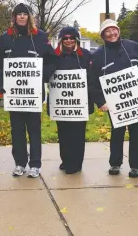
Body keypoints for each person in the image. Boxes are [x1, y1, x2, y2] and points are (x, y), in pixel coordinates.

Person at [0, 3, 57, 178]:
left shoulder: (40, 36)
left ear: (29, 16)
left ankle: (35, 165)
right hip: (14, 95)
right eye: (18, 14)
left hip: (34, 95)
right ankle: (20, 163)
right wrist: (0, 84)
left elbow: (52, 60)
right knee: (17, 130)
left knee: (34, 130)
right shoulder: (6, 38)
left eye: (25, 14)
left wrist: (41, 76)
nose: (22, 16)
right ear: (14, 17)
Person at [89, 19, 138, 178]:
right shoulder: (98, 55)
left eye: (113, 30)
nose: (111, 34)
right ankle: (115, 163)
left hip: (136, 99)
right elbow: (93, 81)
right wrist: (100, 102)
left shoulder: (133, 46)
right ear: (102, 35)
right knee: (117, 132)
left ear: (118, 31)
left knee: (136, 132)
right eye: (107, 31)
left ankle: (135, 166)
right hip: (113, 102)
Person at [52, 27, 93, 174]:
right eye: (65, 38)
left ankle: (76, 164)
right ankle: (66, 160)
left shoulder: (86, 55)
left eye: (71, 38)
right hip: (61, 102)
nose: (68, 41)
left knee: (77, 133)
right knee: (63, 132)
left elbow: (92, 77)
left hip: (80, 102)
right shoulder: (54, 55)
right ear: (61, 40)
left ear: (76, 39)